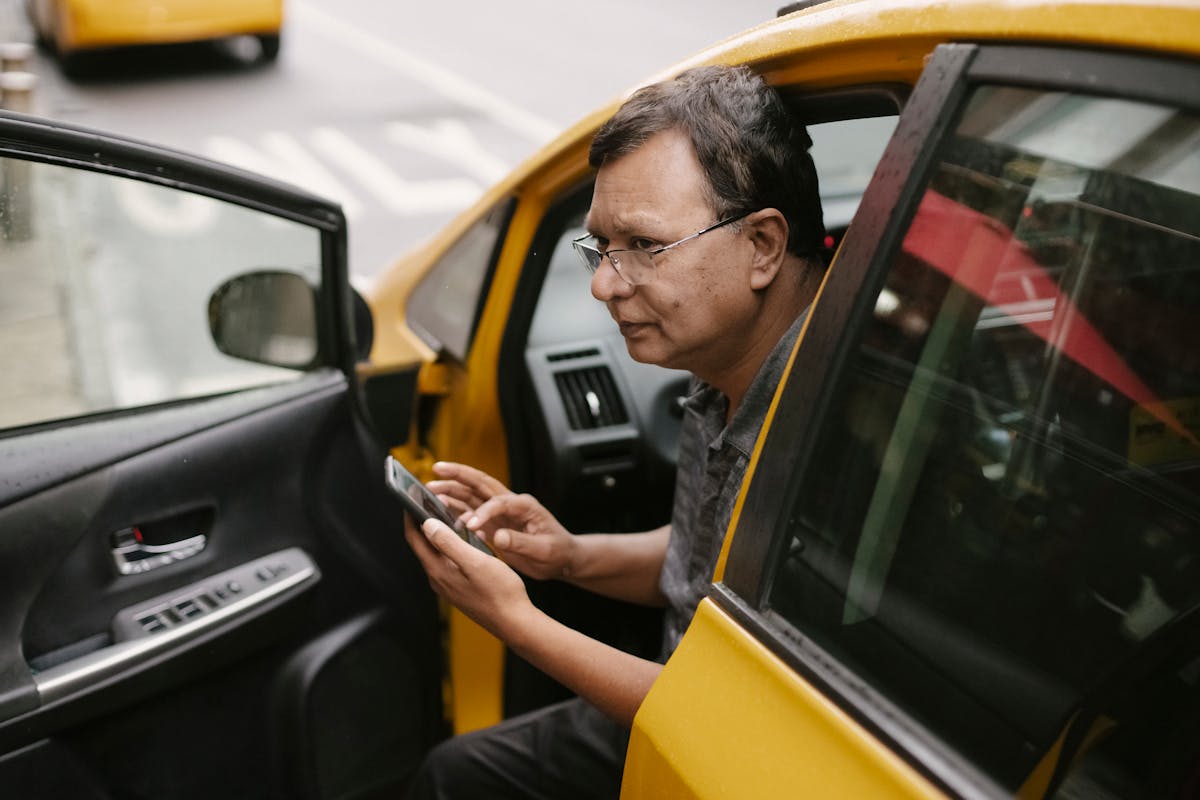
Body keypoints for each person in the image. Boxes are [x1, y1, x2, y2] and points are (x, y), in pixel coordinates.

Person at [403, 63, 826, 799]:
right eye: (599, 246)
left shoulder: (828, 431)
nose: (604, 284)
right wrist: (567, 557)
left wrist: (514, 619)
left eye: (644, 245)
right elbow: (715, 564)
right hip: (682, 706)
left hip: (725, 754)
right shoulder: (722, 359)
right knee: (458, 774)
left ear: (762, 245)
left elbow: (726, 722)